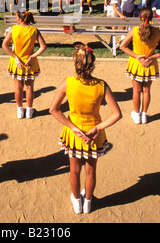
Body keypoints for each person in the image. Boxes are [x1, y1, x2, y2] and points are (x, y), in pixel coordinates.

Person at [49, 45, 122, 214]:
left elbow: (54, 109)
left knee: (74, 170)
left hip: (74, 133)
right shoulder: (102, 85)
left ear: (76, 63)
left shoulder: (67, 83)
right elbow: (116, 114)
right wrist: (98, 127)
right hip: (93, 133)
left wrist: (72, 128)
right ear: (93, 64)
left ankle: (76, 201)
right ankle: (88, 201)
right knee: (90, 170)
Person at [120, 8, 160, 124]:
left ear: (139, 18)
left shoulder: (134, 31)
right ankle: (144, 115)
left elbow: (122, 46)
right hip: (150, 65)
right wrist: (152, 57)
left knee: (136, 91)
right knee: (147, 91)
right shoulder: (157, 32)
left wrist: (137, 56)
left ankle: (137, 115)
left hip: (136, 64)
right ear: (152, 19)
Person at [2, 11, 47, 119]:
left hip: (17, 64)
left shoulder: (13, 29)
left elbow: (4, 45)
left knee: (18, 88)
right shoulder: (34, 30)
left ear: (20, 19)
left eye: (16, 17)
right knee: (30, 88)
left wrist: (15, 57)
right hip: (30, 63)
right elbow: (43, 46)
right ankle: (29, 111)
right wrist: (32, 56)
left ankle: (20, 111)